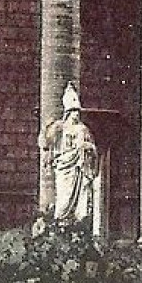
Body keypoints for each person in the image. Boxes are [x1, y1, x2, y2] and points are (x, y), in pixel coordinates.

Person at [40, 83, 99, 227]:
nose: (76, 115)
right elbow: (46, 144)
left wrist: (88, 148)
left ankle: (75, 224)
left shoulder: (83, 129)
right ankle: (60, 223)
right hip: (64, 168)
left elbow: (92, 147)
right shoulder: (59, 128)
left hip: (78, 168)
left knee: (80, 199)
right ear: (67, 112)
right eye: (73, 111)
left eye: (77, 112)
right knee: (63, 199)